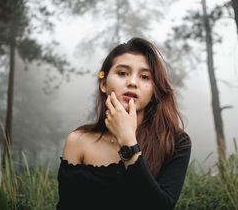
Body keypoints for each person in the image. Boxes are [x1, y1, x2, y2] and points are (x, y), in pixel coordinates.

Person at [57, 38, 191, 210]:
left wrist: (127, 141)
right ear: (103, 84)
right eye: (122, 73)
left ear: (154, 90)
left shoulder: (175, 142)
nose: (133, 82)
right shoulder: (78, 141)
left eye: (144, 77)